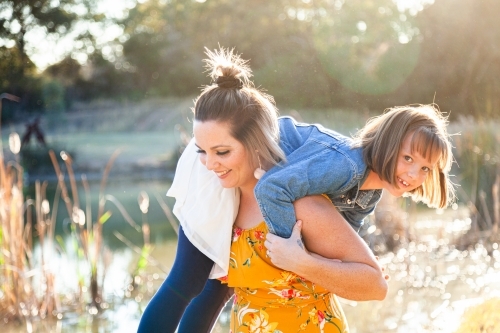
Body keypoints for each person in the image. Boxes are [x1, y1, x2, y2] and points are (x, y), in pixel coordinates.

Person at [137, 47, 455, 332]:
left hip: (305, 320)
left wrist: (298, 257)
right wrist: (287, 246)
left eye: (425, 168)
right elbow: (274, 188)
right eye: (408, 158)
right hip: (263, 159)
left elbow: (354, 254)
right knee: (197, 283)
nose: (414, 173)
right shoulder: (344, 165)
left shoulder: (353, 191)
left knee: (204, 286)